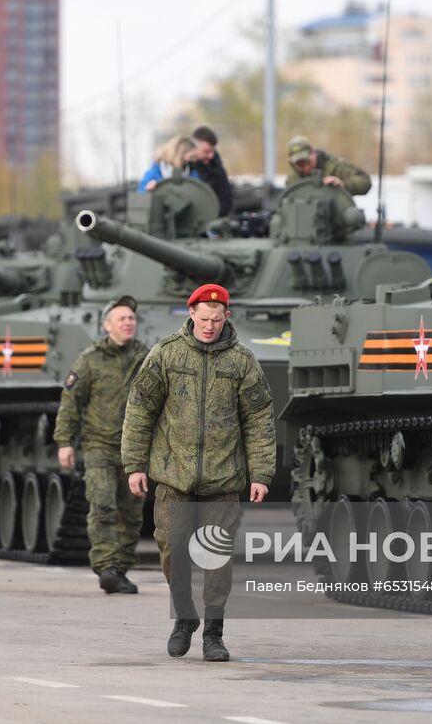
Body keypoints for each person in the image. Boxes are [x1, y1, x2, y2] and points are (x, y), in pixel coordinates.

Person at [122, 284, 274, 663]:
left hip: (223, 479)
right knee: (172, 548)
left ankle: (214, 634)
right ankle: (184, 617)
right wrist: (135, 464)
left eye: (216, 319)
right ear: (191, 314)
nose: (209, 326)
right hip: (173, 474)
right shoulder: (166, 355)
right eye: (203, 319)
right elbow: (140, 409)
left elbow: (259, 419)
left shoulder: (242, 361)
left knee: (217, 557)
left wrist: (261, 473)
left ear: (227, 317)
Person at [53, 295, 150, 595]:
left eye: (132, 318)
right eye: (122, 319)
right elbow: (71, 402)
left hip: (135, 450)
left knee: (131, 513)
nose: (128, 322)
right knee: (103, 505)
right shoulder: (90, 359)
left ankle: (120, 568)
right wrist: (64, 442)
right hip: (99, 446)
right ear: (108, 325)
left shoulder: (147, 358)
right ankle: (107, 568)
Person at [286, 136, 372, 195]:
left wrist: (343, 185)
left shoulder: (336, 167)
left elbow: (365, 182)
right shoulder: (293, 179)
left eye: (307, 162)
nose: (306, 167)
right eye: (300, 164)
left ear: (313, 152)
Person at [187, 125, 234, 217]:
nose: (211, 156)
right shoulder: (183, 168)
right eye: (206, 152)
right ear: (193, 148)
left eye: (213, 151)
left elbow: (226, 202)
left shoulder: (217, 169)